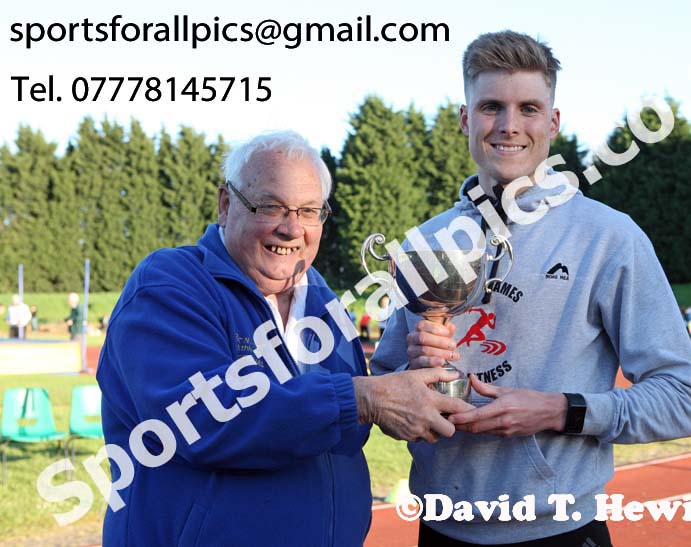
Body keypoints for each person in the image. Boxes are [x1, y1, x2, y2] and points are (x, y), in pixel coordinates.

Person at [371, 31, 691, 547]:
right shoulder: (427, 243)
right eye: (490, 107)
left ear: (552, 123)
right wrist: (415, 376)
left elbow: (683, 399)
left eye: (528, 108)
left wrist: (561, 410)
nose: (509, 125)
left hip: (561, 530)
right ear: (465, 119)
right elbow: (385, 392)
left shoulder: (609, 237)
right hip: (440, 529)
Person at [96, 131, 472, 546]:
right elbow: (202, 421)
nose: (292, 228)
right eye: (270, 206)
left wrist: (408, 385)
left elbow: (347, 432)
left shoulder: (325, 302)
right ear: (225, 204)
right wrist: (363, 398)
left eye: (309, 211)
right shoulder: (170, 285)